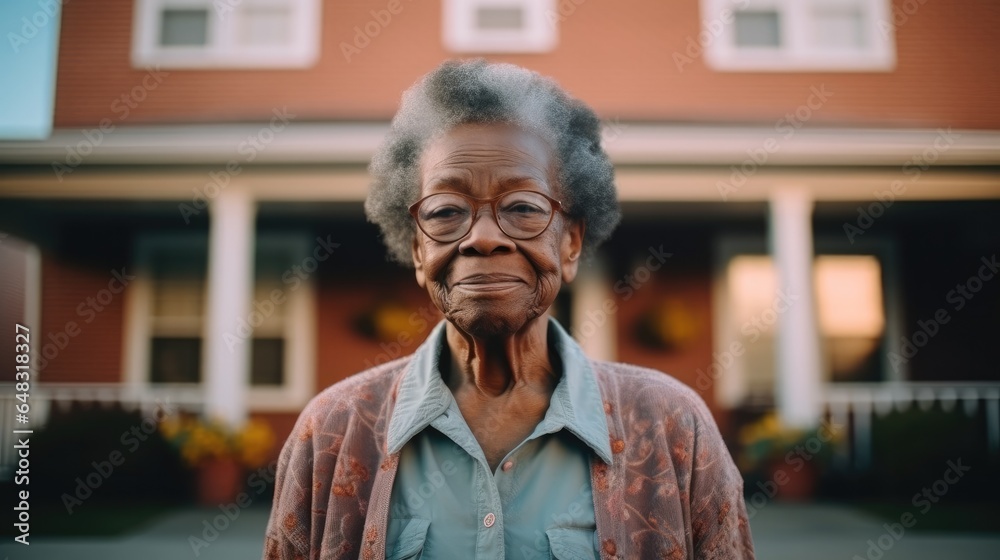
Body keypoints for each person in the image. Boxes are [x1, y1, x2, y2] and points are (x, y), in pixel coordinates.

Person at [263, 59, 754, 559]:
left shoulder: (671, 427)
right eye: (446, 211)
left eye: (523, 207)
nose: (482, 238)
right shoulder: (332, 431)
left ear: (570, 244)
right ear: (417, 250)